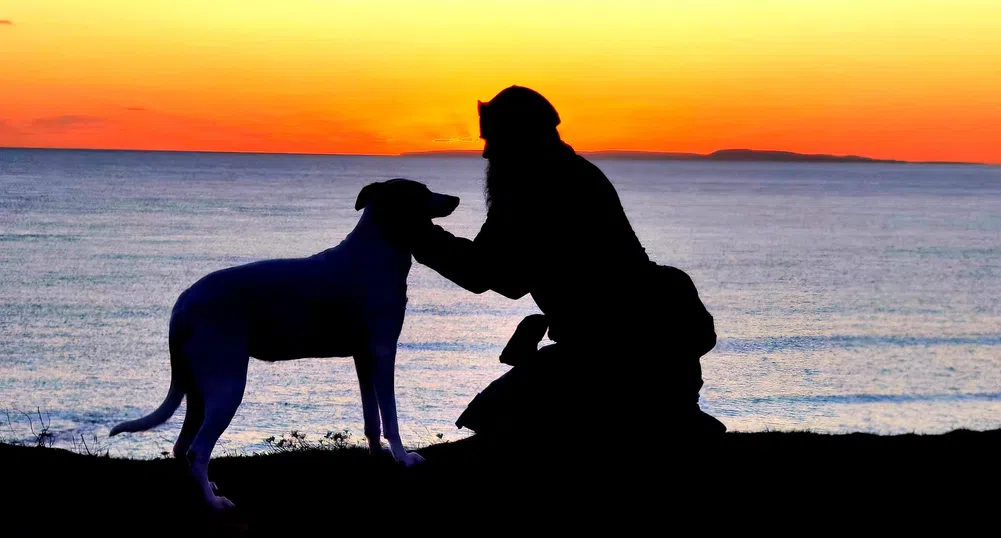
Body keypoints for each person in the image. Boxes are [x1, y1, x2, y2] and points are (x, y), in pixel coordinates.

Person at [411, 86, 725, 441]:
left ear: (521, 139)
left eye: (494, 140)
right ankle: (668, 416)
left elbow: (487, 273)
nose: (486, 153)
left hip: (613, 353)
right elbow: (511, 276)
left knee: (499, 421)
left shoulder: (535, 187)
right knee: (497, 414)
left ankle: (665, 419)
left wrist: (418, 235)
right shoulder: (571, 174)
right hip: (634, 345)